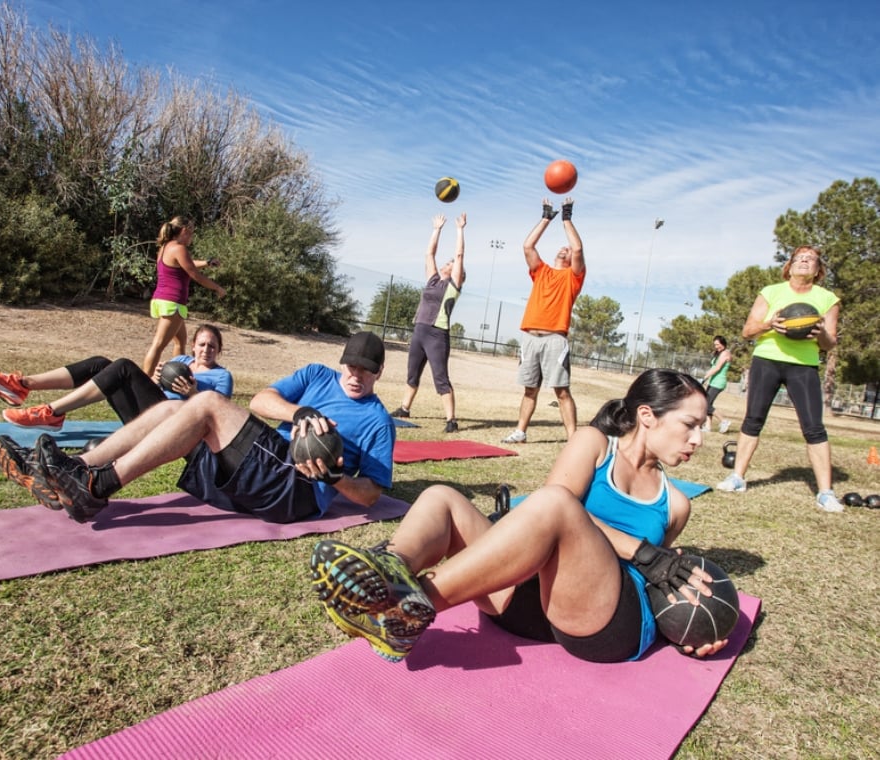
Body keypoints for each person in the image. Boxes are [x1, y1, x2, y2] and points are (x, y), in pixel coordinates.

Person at [311, 369, 730, 665]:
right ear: (647, 415)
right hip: (529, 607)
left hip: (604, 622)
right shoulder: (595, 444)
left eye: (702, 428)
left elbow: (657, 579)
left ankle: (404, 609)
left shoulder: (676, 503)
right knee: (442, 497)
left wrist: (691, 628)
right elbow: (550, 509)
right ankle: (390, 568)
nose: (697, 439)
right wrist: (643, 552)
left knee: (556, 506)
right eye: (690, 424)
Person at [0, 332, 395, 526]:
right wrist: (298, 411)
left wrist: (337, 477)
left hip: (297, 491)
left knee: (204, 402)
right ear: (342, 361)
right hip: (268, 464)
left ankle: (96, 487)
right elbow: (260, 401)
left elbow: (371, 496)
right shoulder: (316, 375)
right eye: (351, 365)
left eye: (366, 369)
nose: (356, 375)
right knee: (174, 409)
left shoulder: (377, 421)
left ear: (379, 372)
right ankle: (75, 469)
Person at [715, 246, 843, 512]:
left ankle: (826, 493)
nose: (805, 261)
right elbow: (748, 330)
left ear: (818, 269)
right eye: (800, 258)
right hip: (767, 360)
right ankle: (737, 477)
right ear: (790, 266)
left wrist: (819, 332)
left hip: (803, 366)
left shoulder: (828, 298)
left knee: (814, 427)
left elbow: (830, 343)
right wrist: (770, 324)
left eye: (811, 259)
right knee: (753, 419)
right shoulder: (771, 292)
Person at [0, 324, 232, 430]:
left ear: (219, 349)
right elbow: (155, 388)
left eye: (211, 346)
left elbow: (216, 419)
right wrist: (156, 379)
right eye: (202, 344)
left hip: (167, 425)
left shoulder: (223, 377)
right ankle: (22, 385)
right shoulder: (180, 362)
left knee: (123, 367)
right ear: (193, 347)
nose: (206, 350)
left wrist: (193, 394)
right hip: (148, 410)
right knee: (100, 364)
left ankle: (51, 412)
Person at [501, 198, 586, 444]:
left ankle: (573, 439)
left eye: (567, 249)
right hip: (530, 337)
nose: (565, 249)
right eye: (562, 247)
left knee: (561, 391)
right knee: (529, 390)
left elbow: (578, 249)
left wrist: (567, 218)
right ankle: (520, 431)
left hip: (555, 340)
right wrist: (546, 218)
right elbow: (528, 246)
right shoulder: (542, 271)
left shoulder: (573, 277)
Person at [389, 213, 467, 433]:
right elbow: (429, 253)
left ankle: (451, 420)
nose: (448, 263)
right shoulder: (433, 280)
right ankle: (405, 408)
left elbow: (459, 255)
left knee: (440, 378)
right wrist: (437, 229)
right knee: (412, 373)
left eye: (450, 263)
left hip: (436, 334)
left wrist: (460, 229)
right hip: (419, 331)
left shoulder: (453, 286)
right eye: (448, 262)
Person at [142, 216, 226, 375]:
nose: (192, 237)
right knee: (158, 344)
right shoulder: (179, 248)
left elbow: (188, 263)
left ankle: (175, 376)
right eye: (191, 233)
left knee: (180, 342)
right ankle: (144, 381)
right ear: (184, 231)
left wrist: (207, 262)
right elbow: (194, 274)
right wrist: (217, 288)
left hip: (164, 299)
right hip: (172, 302)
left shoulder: (167, 247)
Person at [701, 335, 732, 433]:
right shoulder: (719, 353)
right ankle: (708, 427)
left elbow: (718, 367)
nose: (716, 347)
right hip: (713, 381)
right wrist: (706, 377)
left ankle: (724, 421)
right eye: (715, 345)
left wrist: (705, 377)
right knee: (707, 403)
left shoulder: (726, 353)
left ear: (723, 343)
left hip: (718, 382)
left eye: (718, 344)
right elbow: (713, 367)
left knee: (706, 404)